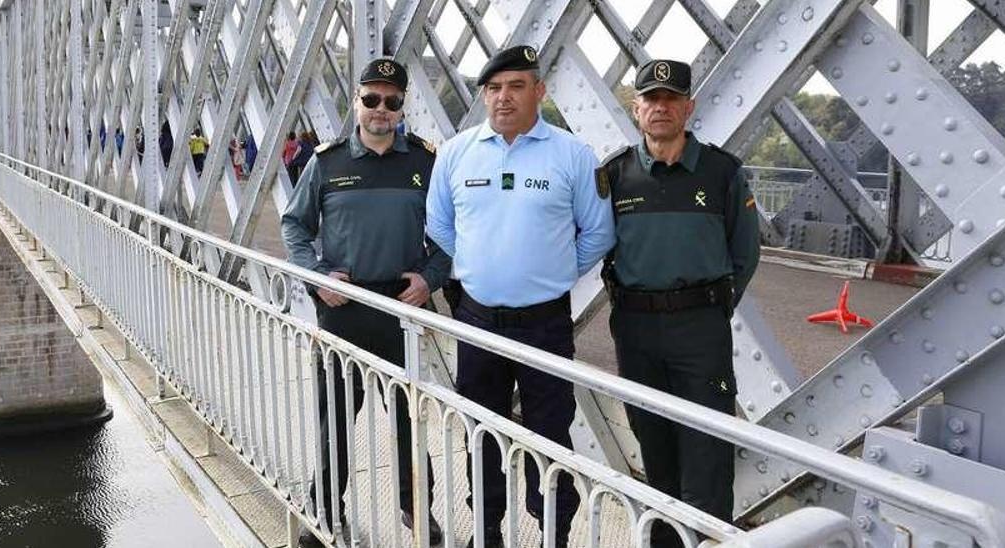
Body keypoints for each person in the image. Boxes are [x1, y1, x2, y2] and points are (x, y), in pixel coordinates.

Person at [425, 45, 615, 548]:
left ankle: (554, 533)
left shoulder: (572, 155)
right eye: (493, 88)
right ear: (484, 95)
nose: (503, 98)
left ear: (539, 91)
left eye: (515, 86)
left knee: (550, 434)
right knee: (480, 431)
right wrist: (479, 267)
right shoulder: (456, 152)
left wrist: (551, 271)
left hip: (544, 324)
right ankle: (486, 532)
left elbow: (598, 233)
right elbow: (440, 226)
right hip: (477, 320)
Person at [281, 57, 450, 547]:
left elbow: (446, 234)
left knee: (406, 418)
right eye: (371, 99)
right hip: (344, 307)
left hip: (402, 307)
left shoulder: (424, 162)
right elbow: (294, 225)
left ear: (401, 107)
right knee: (335, 416)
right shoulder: (327, 162)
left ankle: (417, 508)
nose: (381, 109)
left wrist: (430, 279)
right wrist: (315, 278)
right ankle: (324, 510)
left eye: (392, 101)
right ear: (356, 102)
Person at [600, 59, 760, 548]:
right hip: (636, 328)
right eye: (651, 99)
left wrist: (709, 309)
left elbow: (745, 255)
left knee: (708, 448)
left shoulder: (722, 172)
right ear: (636, 108)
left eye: (671, 100)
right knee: (654, 441)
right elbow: (598, 248)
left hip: (700, 327)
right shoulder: (614, 175)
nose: (661, 108)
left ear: (688, 107)